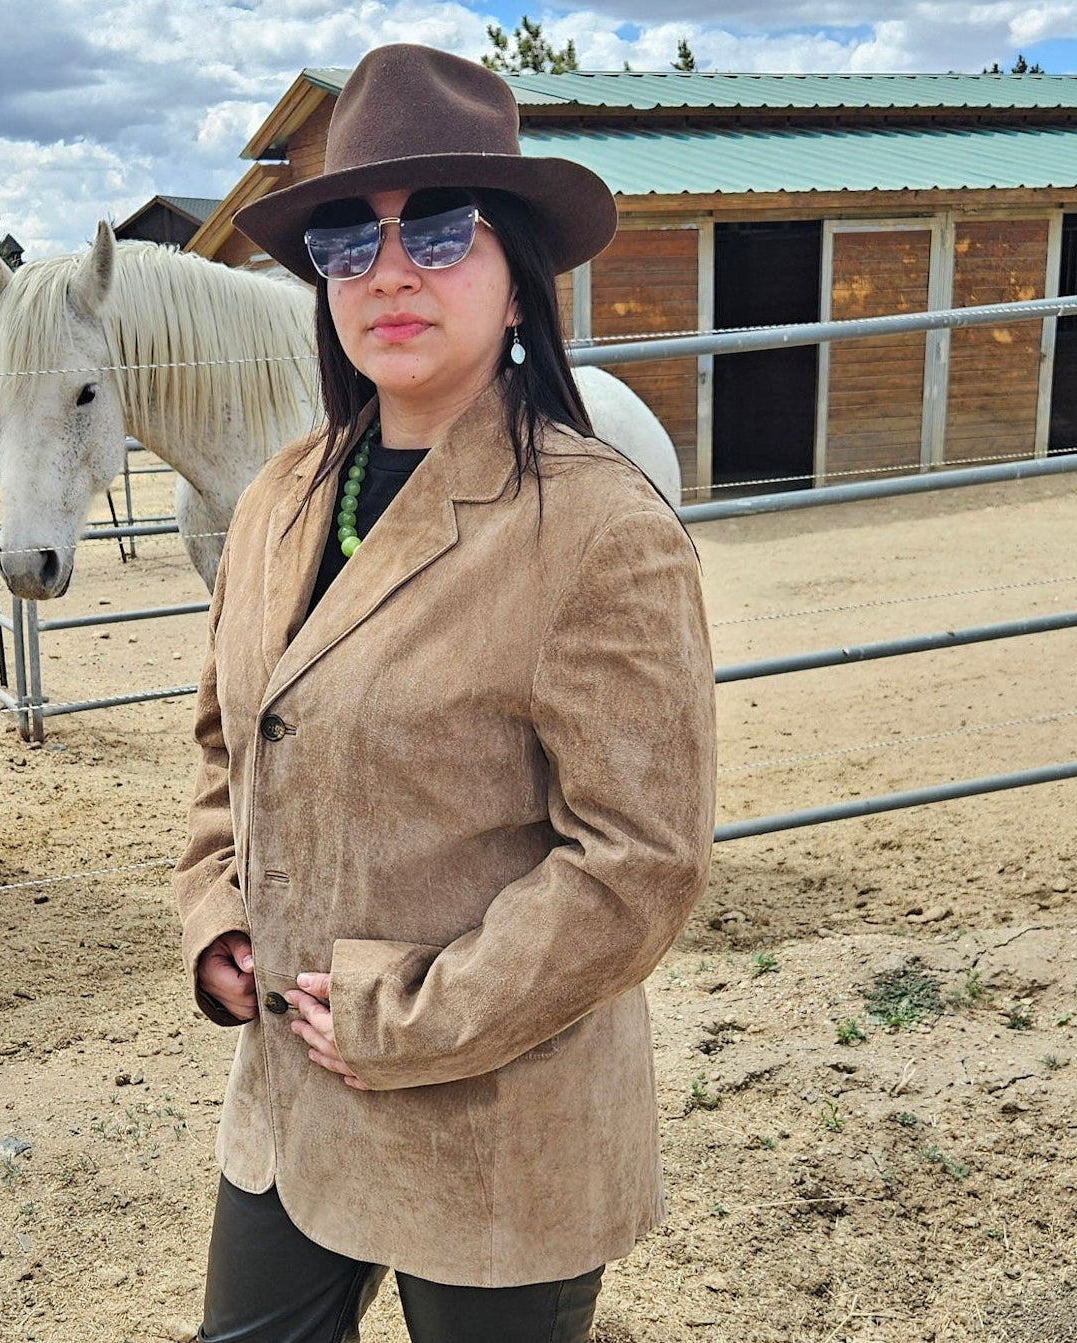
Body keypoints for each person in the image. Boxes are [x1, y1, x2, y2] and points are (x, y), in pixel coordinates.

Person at [173, 42, 716, 1343]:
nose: (389, 268)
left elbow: (635, 865)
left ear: (521, 283)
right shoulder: (280, 498)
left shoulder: (598, 532)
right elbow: (224, 741)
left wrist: (409, 1017)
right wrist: (217, 911)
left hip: (498, 1132)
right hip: (290, 1114)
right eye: (348, 241)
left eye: (441, 229)